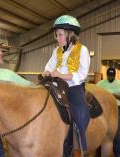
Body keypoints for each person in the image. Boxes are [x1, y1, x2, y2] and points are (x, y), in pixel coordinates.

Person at [42, 15, 90, 156]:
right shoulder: (56, 51)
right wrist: (46, 72)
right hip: (56, 85)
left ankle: (81, 143)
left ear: (70, 34)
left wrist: (62, 75)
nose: (58, 38)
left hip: (73, 87)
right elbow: (49, 66)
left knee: (80, 110)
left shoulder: (82, 50)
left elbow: (82, 74)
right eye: (56, 35)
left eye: (60, 34)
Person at [97, 67, 120, 157]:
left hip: (116, 110)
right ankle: (99, 153)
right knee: (101, 133)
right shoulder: (100, 83)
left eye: (112, 75)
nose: (111, 77)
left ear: (115, 75)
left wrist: (116, 96)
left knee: (116, 135)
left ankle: (118, 154)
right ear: (107, 75)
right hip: (102, 111)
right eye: (109, 75)